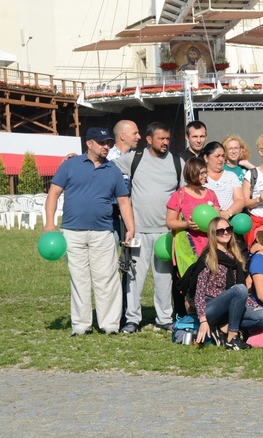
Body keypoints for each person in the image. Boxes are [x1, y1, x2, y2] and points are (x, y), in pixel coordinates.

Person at [44, 127, 135, 336]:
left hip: (103, 232)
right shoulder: (70, 165)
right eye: (102, 142)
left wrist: (130, 228)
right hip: (72, 232)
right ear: (89, 143)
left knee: (107, 279)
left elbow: (123, 201)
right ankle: (81, 325)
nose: (106, 146)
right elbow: (53, 194)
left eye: (108, 143)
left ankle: (110, 325)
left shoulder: (112, 169)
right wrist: (50, 222)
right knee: (79, 279)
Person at [115, 122, 185, 334]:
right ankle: (132, 319)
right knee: (134, 278)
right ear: (148, 139)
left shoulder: (176, 162)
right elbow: (107, 168)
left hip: (166, 233)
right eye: (161, 139)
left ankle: (164, 318)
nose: (165, 143)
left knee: (164, 279)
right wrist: (78, 158)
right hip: (138, 232)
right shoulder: (133, 159)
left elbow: (184, 194)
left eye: (167, 139)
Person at [192, 217, 263, 351]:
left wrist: (255, 306)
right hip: (211, 307)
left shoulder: (235, 257)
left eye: (228, 229)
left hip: (231, 307)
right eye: (220, 231)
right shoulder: (208, 257)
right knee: (240, 289)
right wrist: (203, 320)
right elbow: (198, 294)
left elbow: (240, 294)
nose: (226, 233)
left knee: (262, 317)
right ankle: (233, 337)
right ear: (213, 234)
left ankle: (223, 328)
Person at [166, 157, 220, 273]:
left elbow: (217, 220)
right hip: (187, 245)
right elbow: (169, 222)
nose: (205, 176)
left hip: (209, 245)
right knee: (191, 282)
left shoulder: (211, 194)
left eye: (206, 172)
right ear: (192, 173)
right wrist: (187, 224)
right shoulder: (179, 195)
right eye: (202, 173)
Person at [202, 142, 245, 220]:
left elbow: (240, 200)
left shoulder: (231, 176)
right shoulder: (201, 177)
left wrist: (228, 212)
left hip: (227, 223)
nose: (221, 159)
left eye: (223, 156)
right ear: (206, 158)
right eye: (217, 156)